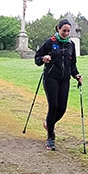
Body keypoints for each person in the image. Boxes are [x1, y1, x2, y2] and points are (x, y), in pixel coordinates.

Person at [34, 19, 82, 151]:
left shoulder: (71, 45)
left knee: (62, 108)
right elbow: (37, 58)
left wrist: (77, 75)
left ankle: (48, 124)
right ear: (58, 29)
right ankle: (50, 138)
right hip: (51, 78)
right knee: (53, 106)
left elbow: (72, 64)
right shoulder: (50, 42)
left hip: (65, 79)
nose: (66, 33)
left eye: (68, 31)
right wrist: (43, 59)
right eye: (64, 30)